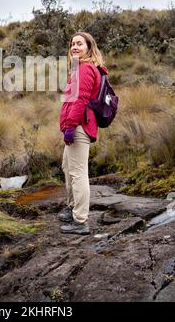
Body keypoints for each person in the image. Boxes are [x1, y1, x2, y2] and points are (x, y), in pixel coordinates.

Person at [58, 32, 108, 235]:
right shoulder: (79, 69)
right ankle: (72, 209)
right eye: (72, 44)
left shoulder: (86, 69)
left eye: (79, 44)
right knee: (67, 166)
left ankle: (80, 220)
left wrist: (70, 126)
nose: (74, 47)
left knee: (78, 173)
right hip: (76, 125)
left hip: (79, 126)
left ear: (89, 47)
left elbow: (80, 100)